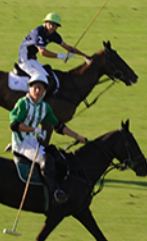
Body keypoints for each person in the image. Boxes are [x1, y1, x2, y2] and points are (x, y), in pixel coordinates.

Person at [9, 76, 88, 204]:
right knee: (45, 159)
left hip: (32, 141)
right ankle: (55, 192)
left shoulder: (44, 107)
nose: (38, 91)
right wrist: (33, 130)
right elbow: (14, 126)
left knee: (56, 155)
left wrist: (77, 136)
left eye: (41, 88)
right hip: (21, 143)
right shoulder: (23, 104)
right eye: (36, 87)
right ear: (30, 89)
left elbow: (59, 126)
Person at [17, 13, 93, 92]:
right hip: (24, 60)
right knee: (41, 78)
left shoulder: (54, 35)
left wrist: (84, 55)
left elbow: (67, 47)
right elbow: (42, 52)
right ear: (46, 23)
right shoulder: (38, 32)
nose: (52, 27)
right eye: (51, 24)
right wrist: (60, 56)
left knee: (47, 77)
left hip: (32, 59)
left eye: (55, 25)